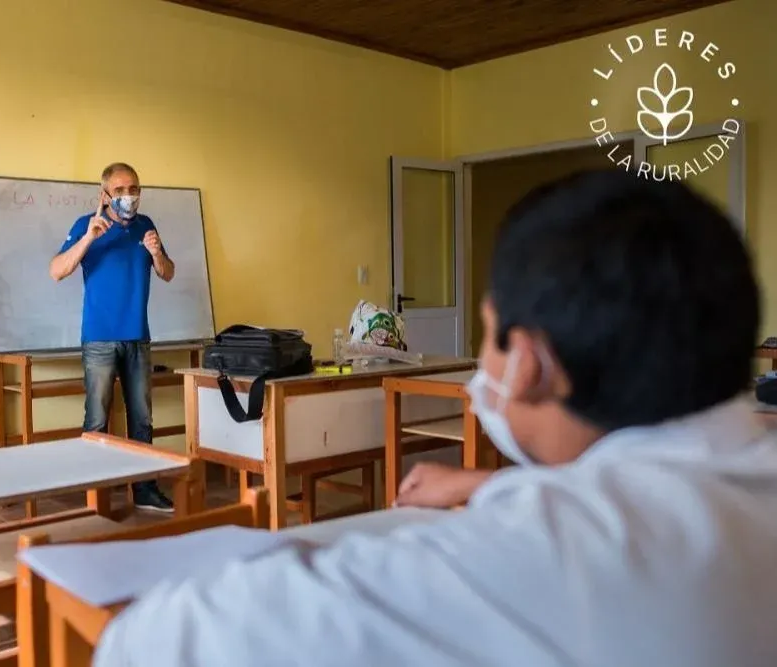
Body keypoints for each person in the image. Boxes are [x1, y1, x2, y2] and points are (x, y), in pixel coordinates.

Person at [92, 170, 777, 667]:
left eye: (489, 335)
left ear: (530, 362)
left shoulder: (534, 559)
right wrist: (491, 485)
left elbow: (153, 642)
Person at [49, 163, 176, 512]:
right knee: (96, 419)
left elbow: (168, 273)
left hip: (138, 337)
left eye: (133, 188)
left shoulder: (147, 225)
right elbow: (57, 270)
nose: (128, 196)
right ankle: (96, 495)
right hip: (100, 339)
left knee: (142, 419)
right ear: (104, 194)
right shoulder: (85, 225)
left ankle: (145, 489)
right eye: (119, 190)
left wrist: (156, 253)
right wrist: (90, 236)